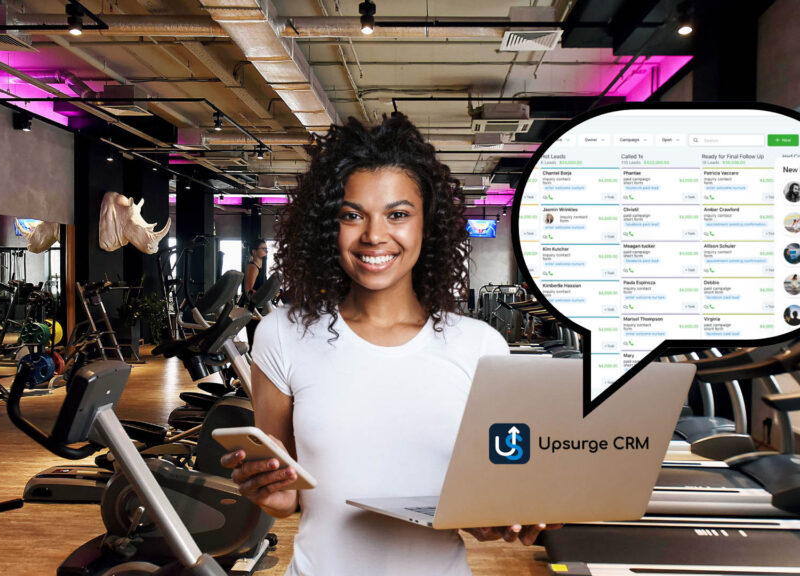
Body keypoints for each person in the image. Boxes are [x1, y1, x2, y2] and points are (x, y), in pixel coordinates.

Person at [221, 113, 558, 576]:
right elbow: (288, 494)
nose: (374, 235)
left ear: (427, 225)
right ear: (328, 226)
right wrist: (275, 496)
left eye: (397, 214)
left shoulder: (481, 346)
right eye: (352, 215)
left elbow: (494, 496)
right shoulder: (282, 334)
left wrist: (501, 516)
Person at [244, 238, 267, 349]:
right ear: (254, 251)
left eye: (266, 249)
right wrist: (267, 293)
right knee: (254, 346)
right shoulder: (253, 267)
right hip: (253, 310)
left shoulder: (260, 268)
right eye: (263, 249)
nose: (266, 251)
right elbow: (249, 291)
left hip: (259, 309)